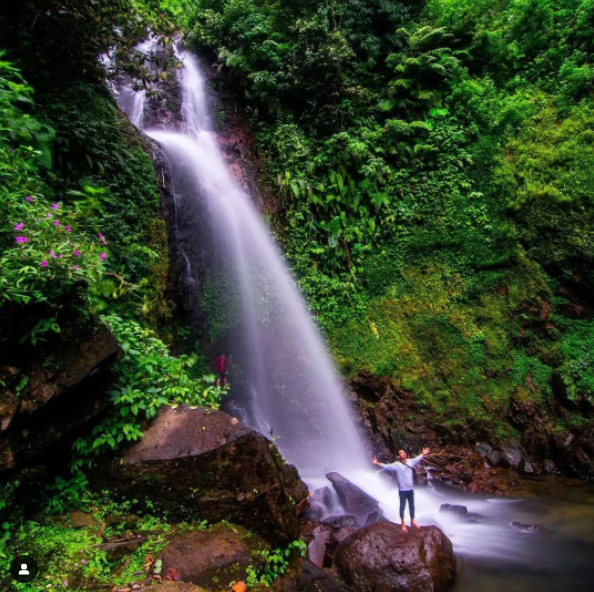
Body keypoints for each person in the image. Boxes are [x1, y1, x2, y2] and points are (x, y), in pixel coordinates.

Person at [371, 447, 430, 532]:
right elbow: (387, 467)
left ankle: (412, 521)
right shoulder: (396, 465)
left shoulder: (410, 461)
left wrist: (423, 453)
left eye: (404, 452)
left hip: (410, 489)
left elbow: (418, 458)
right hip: (402, 490)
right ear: (399, 456)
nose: (404, 454)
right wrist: (376, 463)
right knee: (402, 507)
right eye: (401, 453)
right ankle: (403, 524)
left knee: (412, 506)